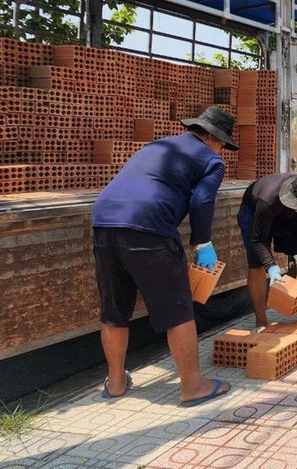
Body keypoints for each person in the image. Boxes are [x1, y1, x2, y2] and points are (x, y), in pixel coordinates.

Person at [91, 105, 237, 406]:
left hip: (104, 223)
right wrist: (202, 243)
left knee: (114, 310)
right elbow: (203, 200)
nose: (223, 149)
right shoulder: (212, 159)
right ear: (213, 138)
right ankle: (193, 386)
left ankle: (116, 382)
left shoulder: (157, 145)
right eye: (223, 143)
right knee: (178, 310)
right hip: (149, 227)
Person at [237, 172, 297, 329]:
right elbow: (257, 240)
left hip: (285, 213)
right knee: (257, 264)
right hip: (255, 212)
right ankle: (261, 322)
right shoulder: (267, 200)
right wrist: (271, 266)